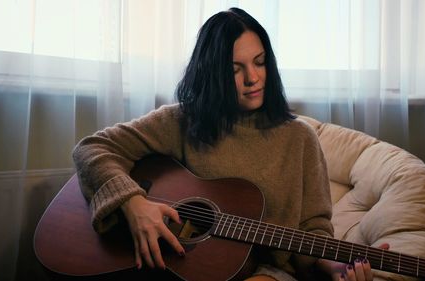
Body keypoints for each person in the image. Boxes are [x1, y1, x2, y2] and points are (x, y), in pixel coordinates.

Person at [73, 7, 375, 281]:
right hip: (183, 267)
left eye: (260, 62)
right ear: (212, 73)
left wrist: (333, 266)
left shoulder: (300, 139)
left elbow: (314, 230)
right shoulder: (182, 121)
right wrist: (133, 204)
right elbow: (91, 148)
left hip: (266, 272)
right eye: (235, 69)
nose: (253, 78)